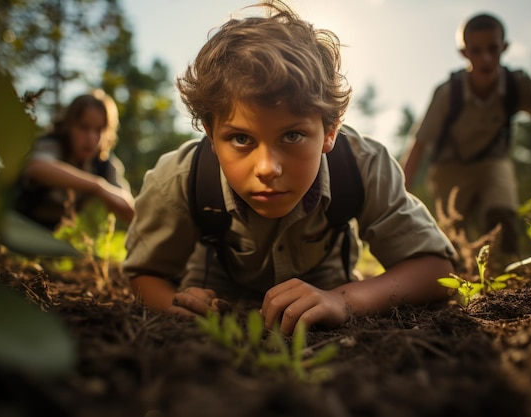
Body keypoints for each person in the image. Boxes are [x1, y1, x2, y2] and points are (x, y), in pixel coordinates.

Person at [123, 0, 455, 335]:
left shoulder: (361, 165)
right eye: (240, 139)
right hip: (216, 293)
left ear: (329, 131)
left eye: (292, 135)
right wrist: (174, 305)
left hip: (324, 289)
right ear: (210, 134)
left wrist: (342, 300)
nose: (267, 168)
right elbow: (144, 274)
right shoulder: (180, 179)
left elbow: (436, 270)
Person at [400, 12, 531, 259]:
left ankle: (507, 281)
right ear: (464, 53)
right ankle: (461, 281)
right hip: (449, 169)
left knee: (502, 216)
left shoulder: (516, 86)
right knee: (453, 238)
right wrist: (400, 193)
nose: (486, 58)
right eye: (476, 50)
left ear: (504, 47)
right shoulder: (448, 93)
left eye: (493, 49)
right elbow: (419, 144)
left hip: (492, 163)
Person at [13, 89, 135, 230]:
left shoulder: (104, 164)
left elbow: (129, 206)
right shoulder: (53, 144)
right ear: (69, 125)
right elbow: (36, 168)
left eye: (99, 130)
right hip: (14, 224)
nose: (91, 138)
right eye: (84, 127)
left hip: (50, 233)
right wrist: (97, 186)